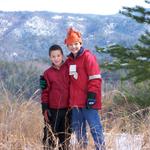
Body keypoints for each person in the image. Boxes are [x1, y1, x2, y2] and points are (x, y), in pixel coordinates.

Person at [64, 27, 105, 150]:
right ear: (67, 46)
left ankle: (101, 148)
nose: (73, 47)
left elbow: (96, 78)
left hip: (88, 102)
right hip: (75, 103)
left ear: (80, 43)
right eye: (71, 45)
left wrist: (92, 96)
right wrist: (46, 78)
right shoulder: (69, 61)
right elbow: (62, 76)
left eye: (76, 44)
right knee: (79, 131)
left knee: (95, 128)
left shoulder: (88, 57)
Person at [40, 44, 71, 150]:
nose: (56, 58)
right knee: (50, 137)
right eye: (53, 56)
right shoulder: (46, 74)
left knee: (65, 137)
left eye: (58, 55)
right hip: (53, 111)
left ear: (62, 56)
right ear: (50, 57)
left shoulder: (68, 69)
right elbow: (44, 92)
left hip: (67, 110)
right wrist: (44, 108)